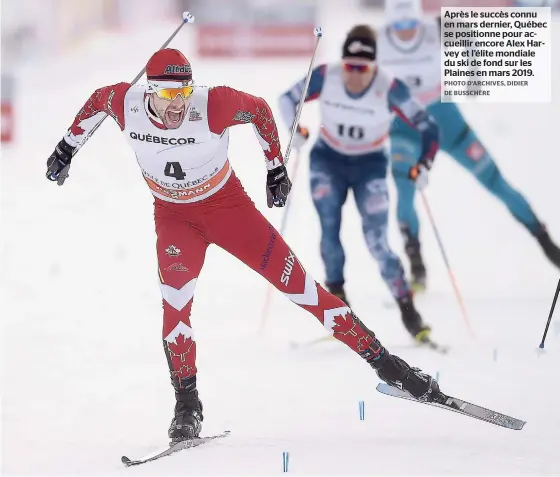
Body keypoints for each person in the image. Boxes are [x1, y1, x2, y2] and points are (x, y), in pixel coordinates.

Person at [45, 48, 441, 442]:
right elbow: (96, 102)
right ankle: (187, 405)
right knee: (175, 311)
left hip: (229, 212)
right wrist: (66, 148)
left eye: (184, 93)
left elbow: (259, 110)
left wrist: (275, 168)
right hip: (175, 219)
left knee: (305, 292)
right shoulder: (125, 102)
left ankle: (391, 368)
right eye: (167, 96)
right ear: (149, 92)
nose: (178, 105)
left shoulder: (212, 104)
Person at [378, 0, 560, 290]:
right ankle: (417, 263)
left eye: (411, 24)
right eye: (399, 26)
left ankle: (547, 244)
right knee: (405, 188)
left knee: (494, 180)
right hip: (405, 128)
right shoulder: (376, 42)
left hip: (446, 121)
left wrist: (474, 74)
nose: (406, 33)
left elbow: (480, 39)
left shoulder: (435, 27)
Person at [278, 25, 439, 340]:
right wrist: (294, 131)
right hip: (329, 161)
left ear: (374, 67)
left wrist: (425, 165)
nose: (353, 75)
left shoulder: (389, 86)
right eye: (349, 66)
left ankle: (410, 314)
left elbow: (428, 126)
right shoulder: (327, 75)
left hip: (370, 166)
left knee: (378, 242)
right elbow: (287, 100)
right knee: (329, 229)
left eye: (361, 68)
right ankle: (339, 305)